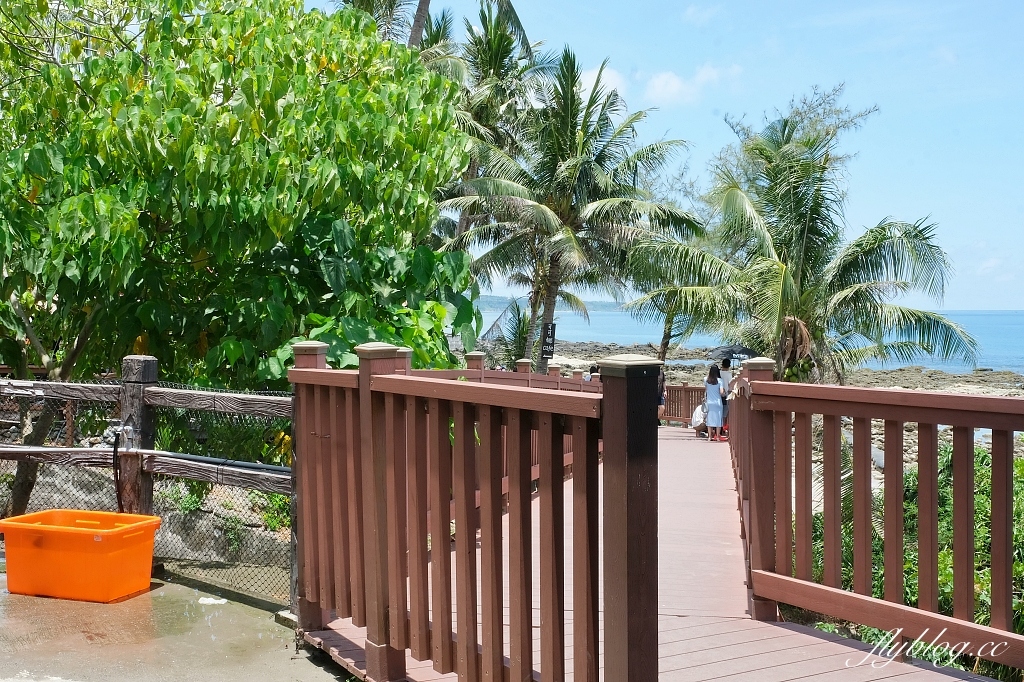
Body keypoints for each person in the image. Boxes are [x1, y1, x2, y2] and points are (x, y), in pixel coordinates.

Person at [704, 365, 726, 441]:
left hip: (709, 402)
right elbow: (721, 392)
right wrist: (724, 393)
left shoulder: (706, 379)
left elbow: (706, 390)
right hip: (718, 402)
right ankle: (717, 436)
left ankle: (709, 437)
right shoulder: (720, 380)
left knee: (709, 419)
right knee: (718, 419)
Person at [720, 358, 734, 428]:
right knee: (725, 412)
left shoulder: (718, 373)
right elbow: (730, 384)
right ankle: (723, 426)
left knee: (719, 411)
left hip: (718, 394)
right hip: (726, 395)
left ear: (722, 365)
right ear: (729, 366)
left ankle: (718, 427)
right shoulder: (729, 374)